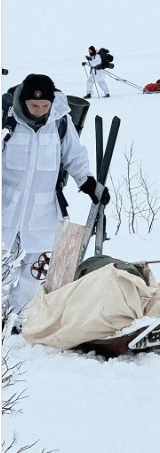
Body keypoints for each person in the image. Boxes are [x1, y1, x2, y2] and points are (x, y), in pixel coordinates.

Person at [2, 73, 110, 322]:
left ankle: (20, 317)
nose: (40, 111)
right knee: (3, 269)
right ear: (22, 102)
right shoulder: (7, 119)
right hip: (6, 207)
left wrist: (87, 182)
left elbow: (74, 154)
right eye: (34, 106)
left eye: (44, 106)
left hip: (43, 210)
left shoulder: (60, 120)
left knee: (37, 269)